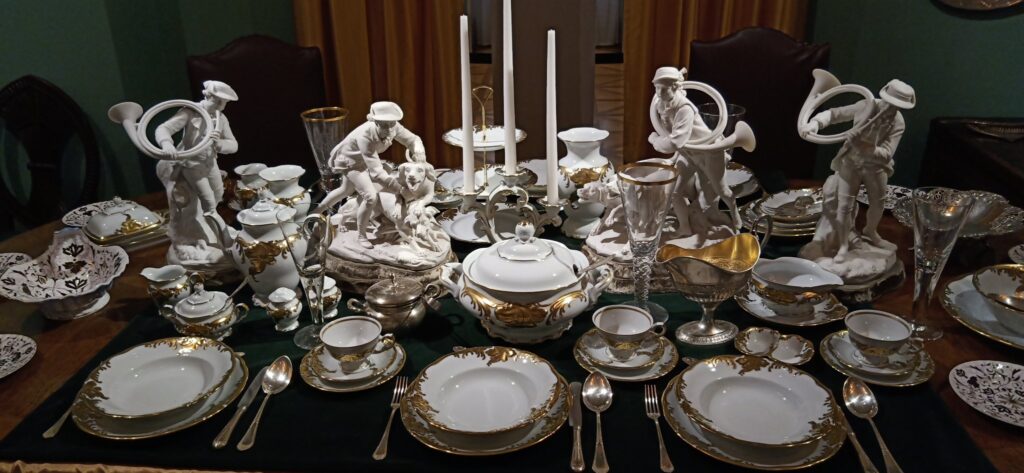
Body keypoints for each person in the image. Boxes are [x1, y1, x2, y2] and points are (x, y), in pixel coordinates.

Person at [801, 79, 915, 262]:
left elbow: (887, 154)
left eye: (896, 106)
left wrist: (863, 146)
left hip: (876, 167)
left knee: (878, 203)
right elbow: (835, 114)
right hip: (851, 163)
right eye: (889, 103)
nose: (890, 108)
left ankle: (870, 231)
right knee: (844, 206)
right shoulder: (865, 106)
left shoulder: (898, 122)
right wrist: (816, 123)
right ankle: (843, 245)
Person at [648, 66, 740, 240]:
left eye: (664, 88)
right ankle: (685, 228)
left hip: (709, 153)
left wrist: (654, 140)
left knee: (721, 191)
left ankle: (735, 215)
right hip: (688, 153)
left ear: (675, 87)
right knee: (674, 191)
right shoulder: (661, 104)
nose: (659, 93)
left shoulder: (685, 109)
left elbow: (674, 142)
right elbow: (674, 137)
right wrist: (676, 156)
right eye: (656, 88)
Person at [153, 80, 238, 262]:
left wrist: (220, 144)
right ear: (208, 96)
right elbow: (163, 128)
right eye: (217, 101)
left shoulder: (220, 119)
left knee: (217, 195)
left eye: (223, 103)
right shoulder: (190, 112)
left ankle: (205, 229)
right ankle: (212, 237)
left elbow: (233, 144)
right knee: (207, 202)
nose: (220, 106)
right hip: (191, 164)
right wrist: (166, 144)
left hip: (210, 164)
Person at [327, 101, 425, 248]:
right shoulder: (365, 135)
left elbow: (412, 139)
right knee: (370, 197)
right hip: (353, 163)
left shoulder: (393, 126)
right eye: (384, 125)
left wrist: (418, 150)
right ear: (375, 122)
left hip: (367, 162)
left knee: (344, 190)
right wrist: (399, 189)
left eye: (392, 123)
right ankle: (361, 235)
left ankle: (318, 211)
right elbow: (377, 172)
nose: (390, 129)